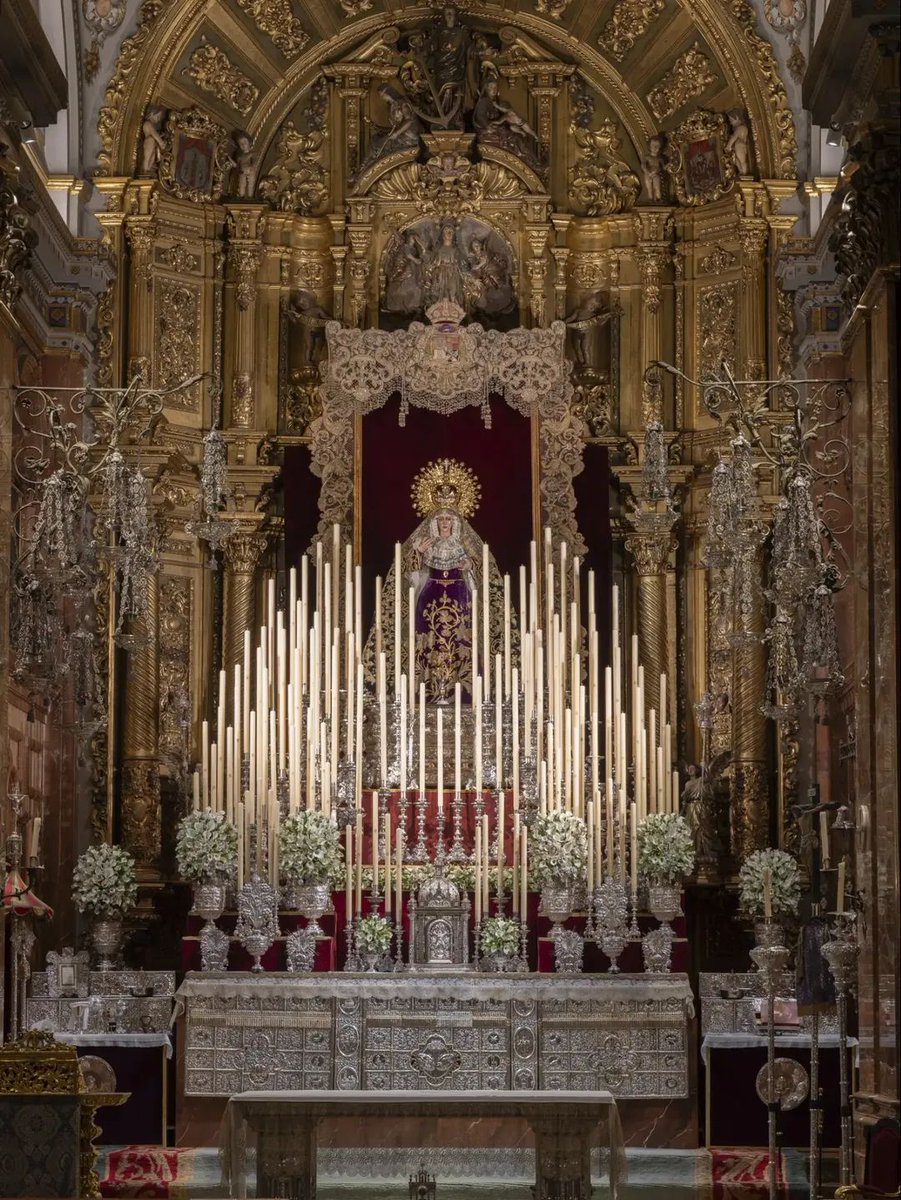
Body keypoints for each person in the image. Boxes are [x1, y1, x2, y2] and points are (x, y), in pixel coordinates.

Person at [409, 498, 479, 704]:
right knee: (430, 641)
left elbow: (482, 564)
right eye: (441, 519)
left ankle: (461, 693)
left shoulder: (463, 544)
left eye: (449, 519)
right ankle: (429, 690)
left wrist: (470, 564)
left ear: (455, 522)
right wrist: (418, 552)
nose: (445, 522)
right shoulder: (427, 544)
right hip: (431, 597)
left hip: (460, 596)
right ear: (435, 523)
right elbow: (410, 572)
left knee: (460, 640)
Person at [422, 221, 467, 309]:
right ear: (442, 234)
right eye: (446, 231)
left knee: (453, 292)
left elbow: (463, 264)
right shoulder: (438, 249)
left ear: (454, 235)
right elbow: (432, 262)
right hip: (440, 273)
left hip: (453, 273)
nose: (449, 233)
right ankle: (438, 309)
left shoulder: (456, 250)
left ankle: (454, 309)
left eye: (451, 231)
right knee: (439, 292)